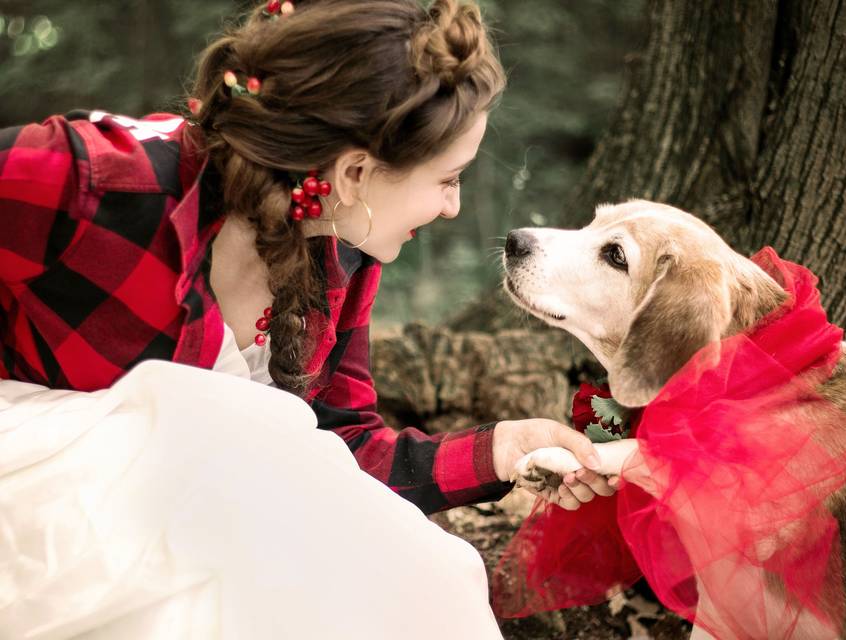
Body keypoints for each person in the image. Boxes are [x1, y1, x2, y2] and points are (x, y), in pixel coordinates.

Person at [0, 0, 616, 637]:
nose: (454, 207)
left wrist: (500, 452)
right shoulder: (98, 183)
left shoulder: (343, 246)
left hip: (176, 515)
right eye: (448, 179)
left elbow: (332, 455)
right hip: (41, 498)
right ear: (354, 174)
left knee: (409, 581)